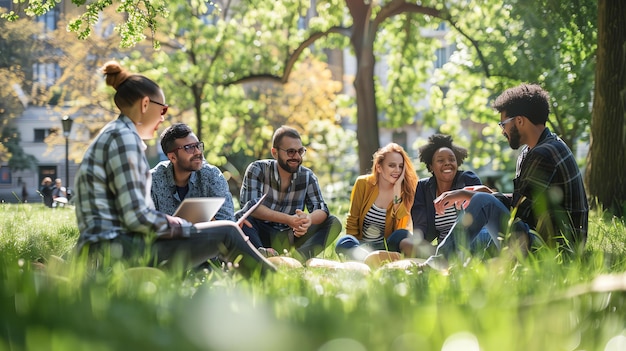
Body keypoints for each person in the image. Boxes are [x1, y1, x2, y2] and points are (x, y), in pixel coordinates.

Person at [73, 60, 275, 277]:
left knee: (218, 236)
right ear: (144, 104)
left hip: (109, 246)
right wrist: (184, 226)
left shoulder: (114, 134)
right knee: (227, 232)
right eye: (163, 109)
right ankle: (275, 284)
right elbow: (137, 217)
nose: (163, 118)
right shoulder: (124, 139)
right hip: (116, 248)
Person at [429, 83, 588, 263]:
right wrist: (487, 194)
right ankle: (446, 262)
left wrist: (485, 199)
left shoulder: (544, 154)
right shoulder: (535, 150)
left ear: (519, 121)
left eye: (503, 124)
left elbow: (521, 214)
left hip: (557, 251)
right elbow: (527, 201)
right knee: (477, 232)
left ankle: (436, 264)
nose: (503, 130)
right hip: (537, 237)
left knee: (482, 206)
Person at [237, 125, 342, 262]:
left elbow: (321, 209)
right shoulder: (257, 169)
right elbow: (252, 207)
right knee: (242, 219)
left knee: (333, 222)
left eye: (300, 151)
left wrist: (308, 220)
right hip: (259, 232)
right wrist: (289, 219)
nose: (297, 157)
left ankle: (296, 259)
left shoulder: (307, 176)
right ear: (275, 152)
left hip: (290, 235)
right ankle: (261, 255)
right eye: (291, 152)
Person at [411, 134, 492, 257]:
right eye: (440, 160)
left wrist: (462, 194)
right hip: (442, 249)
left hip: (472, 243)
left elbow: (488, 202)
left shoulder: (467, 179)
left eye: (451, 159)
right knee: (400, 238)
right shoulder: (423, 188)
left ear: (457, 162)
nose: (447, 163)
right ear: (431, 166)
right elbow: (420, 228)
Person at [335, 143, 419, 261]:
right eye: (392, 165)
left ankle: (373, 258)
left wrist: (397, 191)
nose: (397, 170)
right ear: (379, 167)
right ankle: (368, 258)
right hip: (361, 245)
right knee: (343, 241)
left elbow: (401, 225)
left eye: (400, 166)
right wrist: (355, 244)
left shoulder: (403, 192)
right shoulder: (363, 184)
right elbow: (352, 219)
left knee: (403, 233)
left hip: (386, 247)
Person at [151, 123, 234, 221]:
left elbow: (227, 222)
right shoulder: (153, 181)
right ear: (172, 157)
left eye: (198, 146)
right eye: (189, 148)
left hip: (208, 235)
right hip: (168, 236)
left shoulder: (212, 176)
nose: (198, 152)